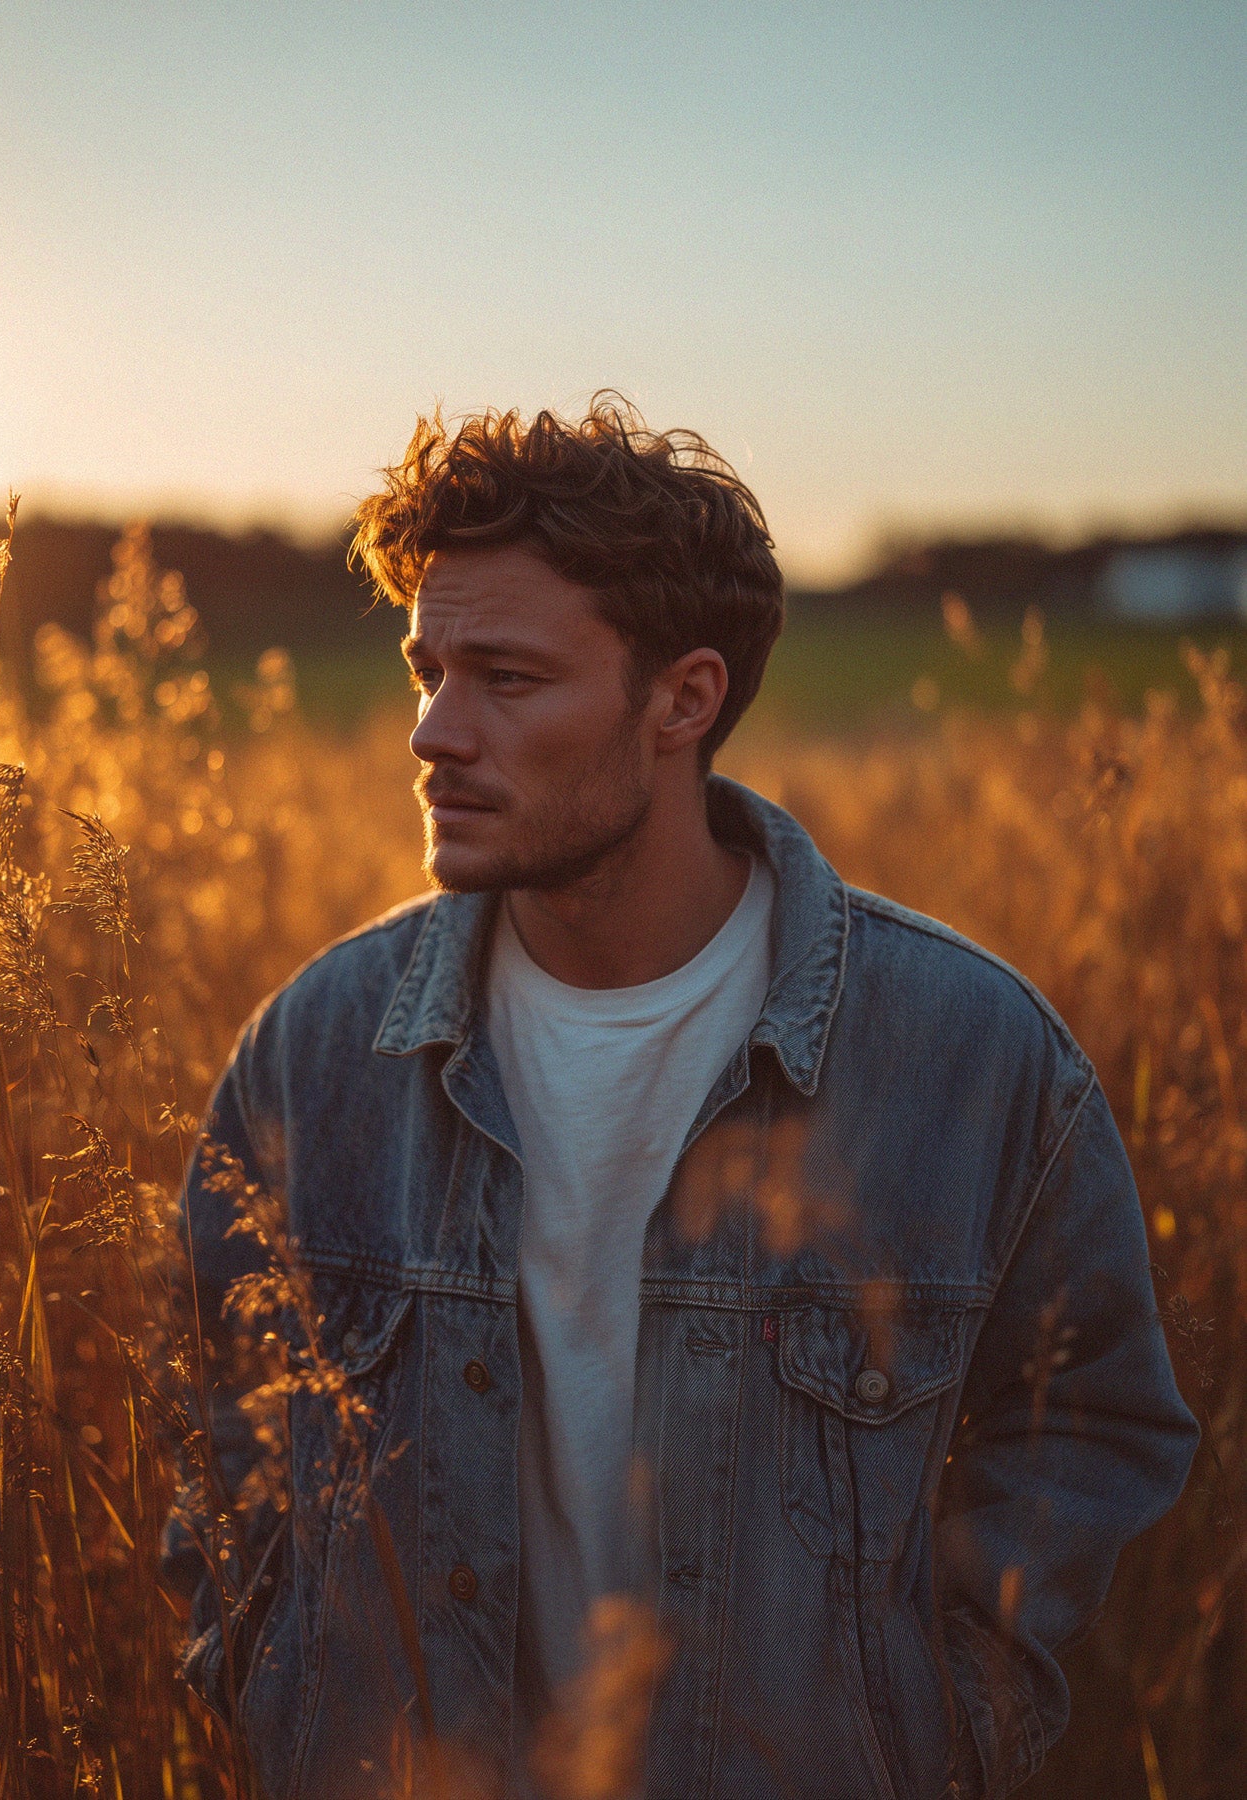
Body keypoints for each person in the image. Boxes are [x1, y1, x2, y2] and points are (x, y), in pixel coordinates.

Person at [169, 398, 1198, 1800]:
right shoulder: (314, 1055)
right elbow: (206, 1424)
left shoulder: (973, 1058)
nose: (432, 732)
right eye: (427, 671)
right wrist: (280, 1686)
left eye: (507, 680)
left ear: (683, 700)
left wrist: (938, 1728)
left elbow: (1093, 1426)